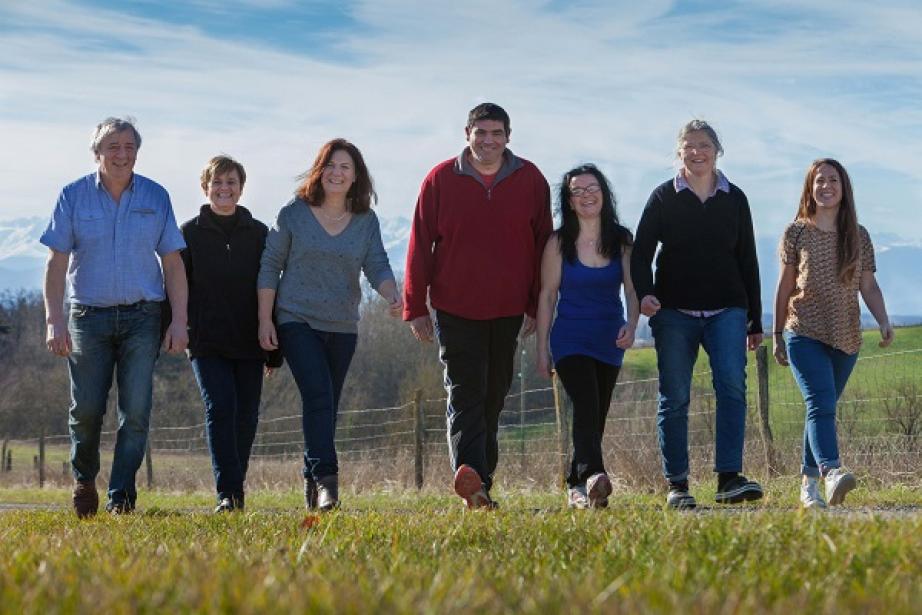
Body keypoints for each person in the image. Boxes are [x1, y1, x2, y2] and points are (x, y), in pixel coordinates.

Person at [404, 102, 552, 509]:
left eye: (496, 134)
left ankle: (480, 480)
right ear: (467, 133)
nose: (488, 141)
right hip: (455, 307)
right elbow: (419, 244)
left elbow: (544, 245)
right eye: (480, 133)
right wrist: (415, 305)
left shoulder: (531, 179)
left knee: (494, 396)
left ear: (508, 137)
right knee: (465, 393)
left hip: (509, 310)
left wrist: (534, 306)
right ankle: (473, 478)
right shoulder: (439, 180)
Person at [40, 117, 188, 517]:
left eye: (128, 146)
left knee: (136, 411)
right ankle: (84, 479)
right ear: (97, 152)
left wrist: (179, 321)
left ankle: (121, 496)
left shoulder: (157, 197)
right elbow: (56, 263)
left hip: (144, 316)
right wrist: (54, 319)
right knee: (86, 409)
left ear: (137, 151)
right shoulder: (72, 196)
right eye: (113, 146)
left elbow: (173, 263)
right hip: (89, 317)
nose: (122, 154)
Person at [258, 139, 400, 511]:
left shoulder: (365, 221)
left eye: (346, 168)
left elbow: (378, 265)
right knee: (319, 395)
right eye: (331, 166)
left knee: (327, 405)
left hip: (342, 325)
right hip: (296, 319)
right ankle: (328, 483)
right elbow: (270, 266)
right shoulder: (294, 213)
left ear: (356, 177)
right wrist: (264, 320)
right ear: (319, 170)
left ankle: (311, 480)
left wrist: (393, 296)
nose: (337, 173)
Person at [631, 119, 763, 510]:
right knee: (674, 397)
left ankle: (728, 478)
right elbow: (640, 254)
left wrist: (754, 318)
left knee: (732, 389)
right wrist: (646, 295)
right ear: (679, 152)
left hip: (728, 310)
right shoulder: (662, 197)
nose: (696, 152)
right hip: (674, 312)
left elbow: (748, 259)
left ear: (716, 150)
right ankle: (678, 486)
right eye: (689, 146)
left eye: (704, 145)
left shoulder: (735, 198)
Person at [773, 158, 893, 509]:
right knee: (820, 404)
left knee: (821, 410)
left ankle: (808, 487)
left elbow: (867, 285)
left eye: (833, 180)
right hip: (804, 330)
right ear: (810, 188)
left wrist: (883, 319)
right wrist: (777, 333)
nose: (826, 186)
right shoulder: (796, 232)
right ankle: (832, 472)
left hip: (846, 336)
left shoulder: (860, 235)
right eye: (819, 180)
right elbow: (784, 286)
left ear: (844, 189)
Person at [181, 155, 282, 513]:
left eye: (231, 183)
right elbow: (176, 287)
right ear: (205, 186)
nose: (224, 189)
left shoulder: (259, 234)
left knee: (247, 415)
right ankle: (229, 492)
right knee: (220, 408)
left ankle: (234, 489)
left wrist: (273, 349)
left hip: (249, 342)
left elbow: (271, 288)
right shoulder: (188, 233)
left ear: (241, 187)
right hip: (206, 341)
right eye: (217, 182)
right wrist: (177, 327)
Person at [536, 164, 639, 509]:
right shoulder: (558, 242)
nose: (585, 195)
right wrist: (541, 349)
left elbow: (631, 287)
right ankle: (595, 474)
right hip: (570, 339)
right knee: (585, 404)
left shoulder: (622, 239)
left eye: (591, 188)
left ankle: (576, 486)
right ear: (568, 200)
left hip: (609, 338)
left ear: (604, 193)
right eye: (577, 191)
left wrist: (633, 323)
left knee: (596, 415)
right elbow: (548, 295)